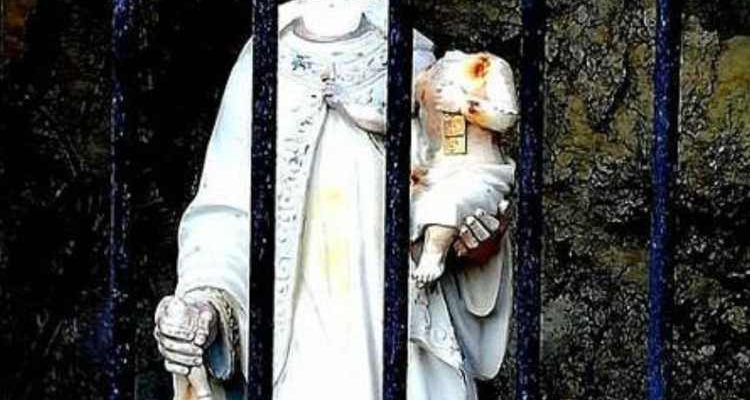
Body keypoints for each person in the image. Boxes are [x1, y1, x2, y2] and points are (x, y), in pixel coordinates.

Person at [153, 1, 516, 399]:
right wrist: (206, 301)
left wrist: (477, 243)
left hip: (402, 340)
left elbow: (459, 173)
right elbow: (226, 211)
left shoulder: (420, 64)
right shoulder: (262, 62)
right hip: (300, 347)